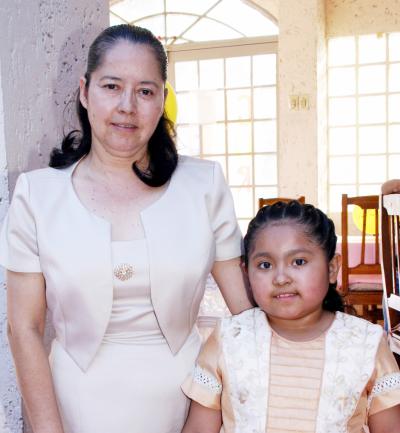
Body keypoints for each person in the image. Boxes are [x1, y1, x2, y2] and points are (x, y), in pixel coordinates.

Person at [0, 24, 252, 433]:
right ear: (85, 92)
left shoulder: (204, 185)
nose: (127, 106)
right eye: (112, 86)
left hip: (186, 402)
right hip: (74, 403)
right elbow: (23, 328)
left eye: (146, 91)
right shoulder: (37, 194)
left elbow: (245, 316)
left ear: (163, 101)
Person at [182, 201, 400, 433]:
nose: (281, 278)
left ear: (332, 268)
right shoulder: (229, 339)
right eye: (265, 265)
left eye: (298, 262)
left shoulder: (366, 343)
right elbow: (199, 428)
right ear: (247, 272)